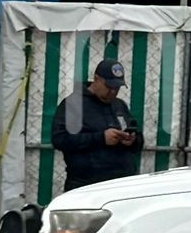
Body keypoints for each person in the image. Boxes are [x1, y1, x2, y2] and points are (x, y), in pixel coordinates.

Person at [50, 59, 144, 192]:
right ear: (96, 79)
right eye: (109, 86)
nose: (113, 92)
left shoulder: (119, 105)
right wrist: (101, 138)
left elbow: (138, 138)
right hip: (87, 186)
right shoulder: (73, 104)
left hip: (122, 184)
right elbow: (60, 139)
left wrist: (132, 140)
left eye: (117, 88)